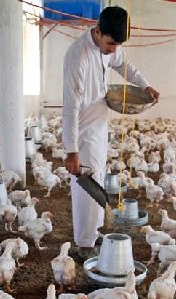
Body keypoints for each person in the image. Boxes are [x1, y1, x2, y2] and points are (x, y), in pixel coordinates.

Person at [62, 6, 159, 261]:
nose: (113, 49)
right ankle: (84, 243)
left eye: (117, 44)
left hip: (100, 121)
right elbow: (70, 106)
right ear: (97, 31)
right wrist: (70, 150)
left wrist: (144, 84)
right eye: (110, 43)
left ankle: (92, 234)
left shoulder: (109, 49)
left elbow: (123, 64)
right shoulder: (78, 57)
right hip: (83, 126)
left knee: (97, 178)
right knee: (86, 184)